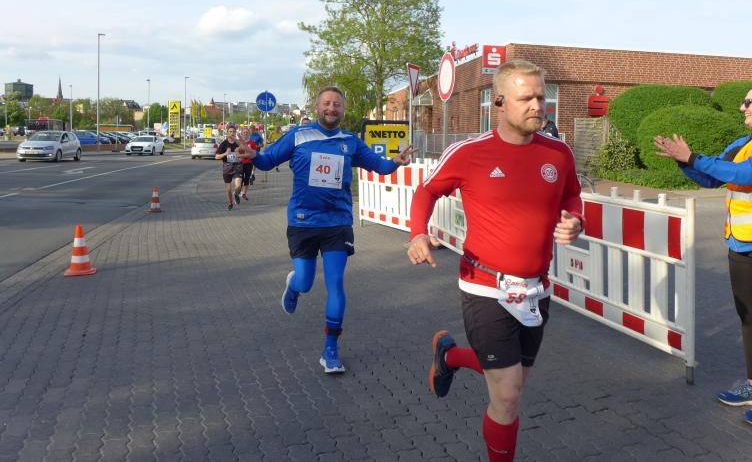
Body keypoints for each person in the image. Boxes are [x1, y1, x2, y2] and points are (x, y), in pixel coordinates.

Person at [406, 60, 583, 461]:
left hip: (536, 289)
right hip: (485, 286)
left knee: (513, 378)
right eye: (526, 98)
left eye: (541, 97)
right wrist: (418, 233)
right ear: (500, 102)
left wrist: (576, 220)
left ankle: (449, 356)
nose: (537, 105)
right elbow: (426, 191)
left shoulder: (558, 153)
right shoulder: (470, 153)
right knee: (508, 394)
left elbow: (572, 195)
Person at [655, 82, 752, 428]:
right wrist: (684, 162)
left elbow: (748, 174)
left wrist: (693, 157)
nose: (742, 107)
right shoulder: (742, 144)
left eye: (749, 102)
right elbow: (711, 179)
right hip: (739, 242)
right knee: (748, 317)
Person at [242, 86, 417, 374]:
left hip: (337, 222)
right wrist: (252, 155)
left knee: (335, 284)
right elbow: (267, 161)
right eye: (326, 103)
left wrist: (395, 163)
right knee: (306, 281)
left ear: (343, 110)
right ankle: (294, 285)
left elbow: (379, 166)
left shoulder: (350, 141)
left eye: (337, 104)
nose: (331, 108)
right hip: (303, 221)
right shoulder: (298, 136)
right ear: (317, 106)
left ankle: (331, 349)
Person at [214, 123, 249, 211]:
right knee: (228, 189)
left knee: (238, 186)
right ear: (227, 132)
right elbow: (216, 156)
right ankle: (230, 203)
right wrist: (225, 153)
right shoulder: (224, 144)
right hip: (227, 167)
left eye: (233, 131)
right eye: (230, 131)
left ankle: (236, 194)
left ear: (235, 132)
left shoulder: (238, 143)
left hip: (238, 166)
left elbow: (246, 152)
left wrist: (239, 153)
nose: (232, 133)